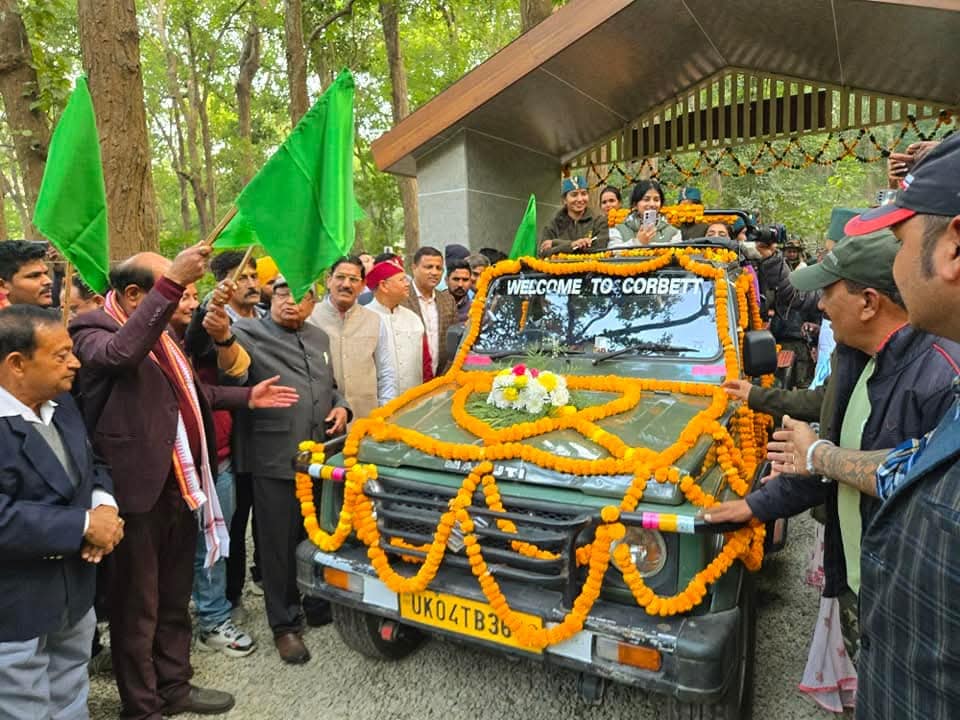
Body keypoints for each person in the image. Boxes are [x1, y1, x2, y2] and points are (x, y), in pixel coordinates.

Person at [709, 229, 960, 712]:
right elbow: (826, 465)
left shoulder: (940, 377)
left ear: (868, 302)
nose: (818, 306)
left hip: (912, 608)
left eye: (828, 292)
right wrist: (754, 507)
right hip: (859, 586)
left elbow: (898, 479)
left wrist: (817, 453)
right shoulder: (851, 358)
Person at [773, 136, 960, 720]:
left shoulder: (936, 374)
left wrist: (818, 455)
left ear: (953, 247)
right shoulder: (874, 364)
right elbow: (910, 462)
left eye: (901, 241)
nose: (900, 264)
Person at [70, 245, 298, 720]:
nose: (183, 303)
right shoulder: (91, 329)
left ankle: (175, 688)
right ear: (134, 296)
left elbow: (194, 392)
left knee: (174, 601)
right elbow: (118, 355)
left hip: (181, 485)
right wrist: (171, 281)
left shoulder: (164, 336)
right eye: (172, 291)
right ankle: (143, 706)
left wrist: (246, 396)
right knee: (138, 609)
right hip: (133, 496)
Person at [0, 305, 122, 720]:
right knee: (23, 707)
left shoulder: (63, 404)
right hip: (15, 605)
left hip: (73, 592)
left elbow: (95, 465)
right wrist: (85, 525)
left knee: (71, 692)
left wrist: (104, 505)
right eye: (60, 355)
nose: (75, 362)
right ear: (17, 364)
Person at [230, 275, 349, 665]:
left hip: (318, 458)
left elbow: (329, 386)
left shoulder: (318, 338)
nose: (290, 301)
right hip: (273, 458)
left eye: (301, 295)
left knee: (314, 534)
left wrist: (341, 406)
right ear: (271, 297)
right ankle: (284, 625)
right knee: (277, 546)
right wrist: (213, 321)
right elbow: (215, 349)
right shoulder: (246, 331)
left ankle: (315, 602)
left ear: (315, 303)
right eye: (282, 293)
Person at [184, 251, 266, 633]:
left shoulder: (266, 319)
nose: (250, 283)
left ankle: (229, 597)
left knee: (236, 527)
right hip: (212, 450)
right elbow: (223, 375)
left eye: (253, 275)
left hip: (250, 443)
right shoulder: (206, 324)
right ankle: (217, 609)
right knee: (216, 538)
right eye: (241, 276)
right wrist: (210, 315)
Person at [308, 256, 397, 420]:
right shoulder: (309, 317)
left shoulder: (375, 320)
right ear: (329, 280)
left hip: (365, 419)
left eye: (354, 279)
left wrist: (385, 412)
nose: (346, 284)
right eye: (340, 277)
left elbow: (385, 371)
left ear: (363, 285)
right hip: (321, 419)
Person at [366, 259, 425, 394]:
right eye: (402, 280)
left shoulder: (413, 318)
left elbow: (425, 361)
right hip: (377, 402)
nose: (407, 284)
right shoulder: (363, 318)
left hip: (413, 401)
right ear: (384, 286)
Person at [402, 246, 457, 379]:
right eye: (429, 267)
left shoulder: (448, 300)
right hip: (409, 379)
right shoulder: (401, 299)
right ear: (414, 268)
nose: (434, 272)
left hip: (440, 378)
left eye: (439, 268)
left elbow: (453, 344)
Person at [538, 176, 609, 257]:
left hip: (590, 269)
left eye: (584, 194)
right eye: (574, 195)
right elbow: (542, 252)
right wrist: (571, 245)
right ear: (564, 200)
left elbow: (599, 249)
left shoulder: (599, 221)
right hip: (559, 268)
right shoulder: (554, 224)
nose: (580, 199)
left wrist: (555, 243)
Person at [609, 180, 681, 248]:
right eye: (646, 199)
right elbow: (612, 253)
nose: (652, 204)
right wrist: (638, 242)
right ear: (635, 204)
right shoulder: (618, 230)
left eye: (656, 200)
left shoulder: (673, 233)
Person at [0, 240, 54, 307]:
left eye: (46, 273)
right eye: (35, 276)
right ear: (2, 286)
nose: (48, 281)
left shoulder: (63, 316)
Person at [444, 258, 472, 322]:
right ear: (446, 280)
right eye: (456, 279)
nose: (460, 284)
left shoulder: (476, 310)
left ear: (470, 282)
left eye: (465, 280)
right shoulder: (434, 304)